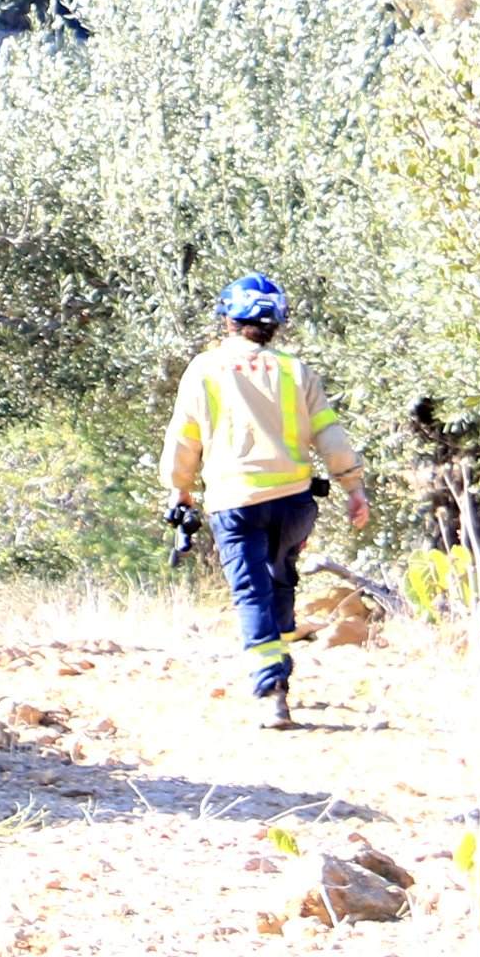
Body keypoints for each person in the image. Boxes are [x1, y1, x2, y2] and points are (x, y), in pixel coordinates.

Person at [161, 275, 369, 727]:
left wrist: (180, 489)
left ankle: (271, 688)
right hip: (295, 502)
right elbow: (329, 433)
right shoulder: (295, 371)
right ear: (276, 321)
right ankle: (279, 650)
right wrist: (353, 486)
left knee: (250, 591)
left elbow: (184, 436)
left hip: (235, 503)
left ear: (228, 318)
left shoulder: (205, 369)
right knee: (279, 578)